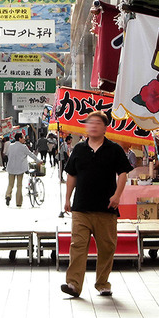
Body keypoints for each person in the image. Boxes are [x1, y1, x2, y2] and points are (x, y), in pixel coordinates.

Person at [61, 111, 133, 298]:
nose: (92, 126)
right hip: (81, 207)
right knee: (78, 245)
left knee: (107, 247)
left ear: (104, 127)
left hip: (106, 208)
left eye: (97, 123)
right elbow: (71, 175)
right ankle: (74, 284)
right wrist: (67, 198)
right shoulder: (78, 149)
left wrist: (117, 195)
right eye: (89, 123)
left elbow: (124, 172)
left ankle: (102, 283)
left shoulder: (114, 149)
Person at [5, 133, 41, 207]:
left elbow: (8, 154)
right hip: (20, 168)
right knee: (19, 185)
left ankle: (8, 195)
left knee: (10, 184)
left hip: (11, 167)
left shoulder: (11, 146)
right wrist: (38, 160)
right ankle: (18, 202)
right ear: (19, 138)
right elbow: (31, 154)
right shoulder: (23, 147)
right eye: (23, 137)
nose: (24, 139)